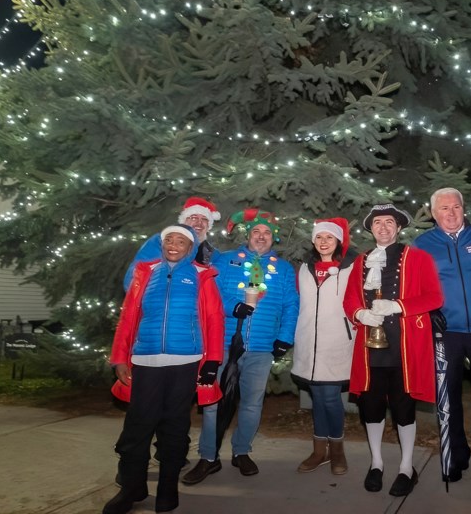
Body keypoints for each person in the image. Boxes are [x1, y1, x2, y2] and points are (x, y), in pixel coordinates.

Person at [103, 224, 224, 514]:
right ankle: (132, 488)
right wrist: (119, 358)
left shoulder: (201, 276)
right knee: (137, 428)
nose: (173, 244)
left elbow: (215, 319)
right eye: (168, 239)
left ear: (190, 247)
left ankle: (168, 489)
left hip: (185, 363)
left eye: (180, 240)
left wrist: (212, 362)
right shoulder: (145, 273)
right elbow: (127, 318)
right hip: (144, 361)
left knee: (174, 427)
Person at [182, 208, 299, 484]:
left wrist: (285, 337)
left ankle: (242, 451)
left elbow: (291, 305)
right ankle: (208, 457)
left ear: (274, 238)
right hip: (223, 345)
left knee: (252, 403)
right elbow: (208, 295)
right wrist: (230, 307)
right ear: (248, 235)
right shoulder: (225, 261)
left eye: (267, 233)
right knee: (212, 403)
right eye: (256, 232)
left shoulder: (283, 269)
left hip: (261, 347)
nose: (261, 237)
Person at [412, 187, 471, 490]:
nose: (451, 213)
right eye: (443, 208)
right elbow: (416, 289)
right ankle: (457, 455)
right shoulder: (422, 245)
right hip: (446, 333)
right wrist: (430, 313)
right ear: (433, 213)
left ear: (463, 208)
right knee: (448, 399)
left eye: (456, 207)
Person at [343, 203, 443, 497]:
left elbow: (434, 297)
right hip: (369, 348)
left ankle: (406, 467)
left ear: (398, 228)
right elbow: (349, 299)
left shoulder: (419, 258)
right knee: (371, 406)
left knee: (403, 407)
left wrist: (399, 306)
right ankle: (376, 463)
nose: (383, 227)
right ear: (371, 229)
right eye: (377, 223)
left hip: (405, 346)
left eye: (389, 222)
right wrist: (359, 314)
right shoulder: (360, 262)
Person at [291, 217, 355, 475]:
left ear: (338, 241)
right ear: (313, 241)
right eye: (319, 237)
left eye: (329, 237)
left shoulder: (350, 268)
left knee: (329, 397)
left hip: (336, 343)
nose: (324, 242)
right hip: (309, 343)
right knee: (317, 398)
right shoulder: (304, 269)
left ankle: (337, 451)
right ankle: (320, 451)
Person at [123, 197, 221, 290]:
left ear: (209, 225)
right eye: (193, 217)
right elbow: (135, 277)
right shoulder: (161, 241)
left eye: (204, 219)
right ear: (184, 221)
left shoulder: (213, 254)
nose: (199, 223)